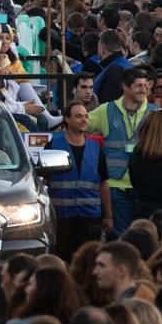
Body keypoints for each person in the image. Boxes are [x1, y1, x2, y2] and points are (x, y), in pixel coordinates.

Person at [89, 67, 160, 235]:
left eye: (145, 85)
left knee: (142, 235)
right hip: (116, 185)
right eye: (138, 86)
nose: (143, 90)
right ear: (125, 87)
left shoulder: (155, 113)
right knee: (120, 235)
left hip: (143, 184)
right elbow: (82, 124)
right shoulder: (106, 110)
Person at [48, 103, 111, 259]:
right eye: (78, 116)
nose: (84, 120)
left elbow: (104, 184)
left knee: (88, 263)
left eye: (86, 116)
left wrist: (109, 216)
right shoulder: (53, 146)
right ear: (67, 119)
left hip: (90, 219)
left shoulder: (96, 148)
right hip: (62, 218)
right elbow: (44, 181)